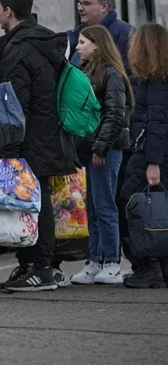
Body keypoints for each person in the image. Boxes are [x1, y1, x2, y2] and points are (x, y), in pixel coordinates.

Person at [0, 0, 76, 292]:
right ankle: (37, 265)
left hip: (29, 140)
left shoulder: (19, 48)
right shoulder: (41, 41)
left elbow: (15, 104)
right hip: (46, 135)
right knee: (37, 203)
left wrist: (7, 150)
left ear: (9, 11)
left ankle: (41, 270)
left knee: (35, 205)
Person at [69, 25, 133, 285]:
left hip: (105, 150)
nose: (77, 47)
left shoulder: (111, 75)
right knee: (92, 208)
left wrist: (100, 148)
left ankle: (111, 263)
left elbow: (116, 115)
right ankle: (94, 260)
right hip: (92, 149)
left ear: (97, 45)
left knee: (105, 206)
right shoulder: (86, 73)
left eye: (83, 42)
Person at [119, 23, 168, 288]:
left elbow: (158, 124)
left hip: (149, 154)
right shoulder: (157, 78)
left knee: (132, 207)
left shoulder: (156, 82)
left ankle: (147, 267)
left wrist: (153, 163)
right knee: (159, 210)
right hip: (152, 153)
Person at [69, 0, 133, 69]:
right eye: (79, 4)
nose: (80, 8)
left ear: (104, 7)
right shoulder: (75, 34)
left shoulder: (127, 35)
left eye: (86, 4)